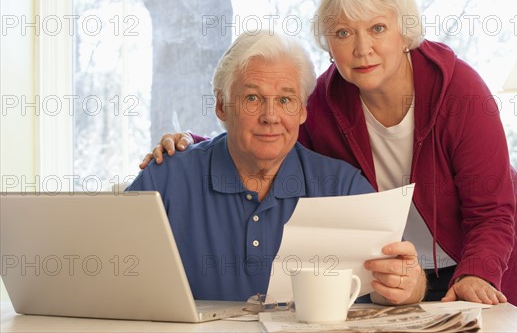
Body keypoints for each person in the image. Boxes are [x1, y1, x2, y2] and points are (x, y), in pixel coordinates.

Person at [141, 0, 517, 306]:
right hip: (383, 267)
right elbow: (268, 131)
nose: (363, 49)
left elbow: (494, 210)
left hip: (474, 257)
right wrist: (192, 146)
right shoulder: (323, 100)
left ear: (405, 31)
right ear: (328, 41)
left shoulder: (458, 91)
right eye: (344, 33)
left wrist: (477, 273)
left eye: (378, 28)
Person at [128, 30, 427, 304]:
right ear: (221, 105)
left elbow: (399, 279)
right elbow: (107, 280)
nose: (270, 116)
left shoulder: (343, 187)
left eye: (285, 99)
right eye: (253, 98)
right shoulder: (165, 179)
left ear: (302, 110)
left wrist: (409, 286)